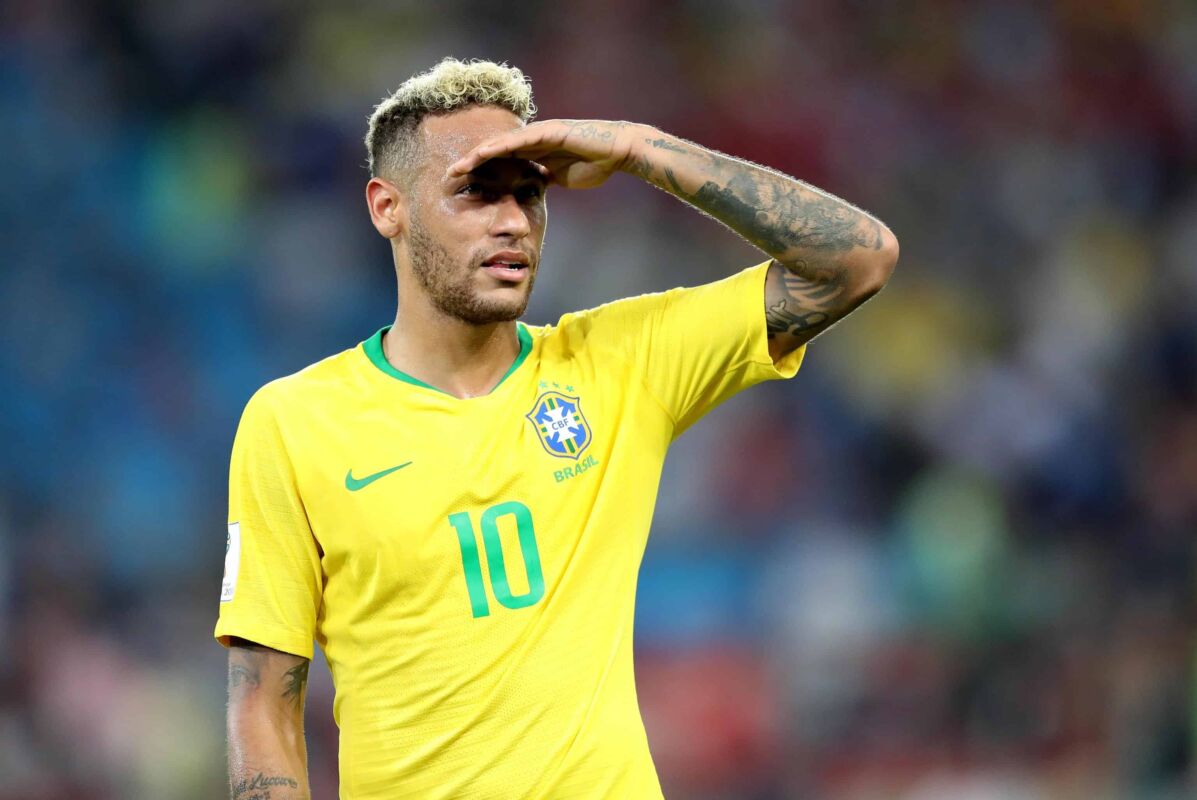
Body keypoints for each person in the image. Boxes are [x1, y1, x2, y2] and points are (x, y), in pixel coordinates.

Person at [215, 57, 898, 799]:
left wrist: (644, 149)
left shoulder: (617, 366)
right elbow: (263, 698)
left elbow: (854, 261)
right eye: (475, 193)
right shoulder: (295, 421)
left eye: (529, 195)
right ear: (387, 207)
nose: (511, 221)